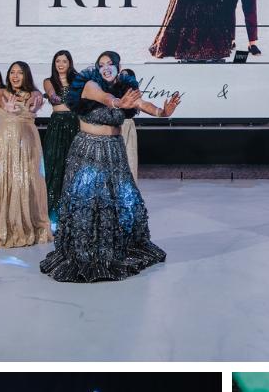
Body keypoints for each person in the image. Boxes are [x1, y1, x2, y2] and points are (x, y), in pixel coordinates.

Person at [39, 51, 178, 283]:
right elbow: (104, 98)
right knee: (87, 201)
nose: (105, 67)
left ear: (117, 66)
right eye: (101, 64)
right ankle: (85, 251)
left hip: (114, 151)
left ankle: (117, 248)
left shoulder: (124, 86)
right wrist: (117, 103)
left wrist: (162, 112)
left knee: (120, 199)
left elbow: (141, 104)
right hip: (88, 151)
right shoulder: (89, 83)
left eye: (110, 64)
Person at [0, 61, 51, 249]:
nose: (15, 76)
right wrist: (9, 110)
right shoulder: (0, 92)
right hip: (7, 141)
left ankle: (28, 222)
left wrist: (34, 102)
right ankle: (5, 224)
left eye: (20, 73)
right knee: (6, 179)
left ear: (26, 76)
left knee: (28, 179)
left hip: (29, 141)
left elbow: (34, 102)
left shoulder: (34, 94)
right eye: (12, 72)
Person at [40, 50, 80, 226]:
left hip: (74, 124)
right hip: (57, 125)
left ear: (70, 63)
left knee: (74, 164)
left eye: (64, 61)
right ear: (54, 63)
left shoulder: (78, 80)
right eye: (58, 61)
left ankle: (73, 209)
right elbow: (52, 95)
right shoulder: (49, 81)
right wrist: (54, 97)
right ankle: (53, 210)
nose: (61, 64)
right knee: (54, 165)